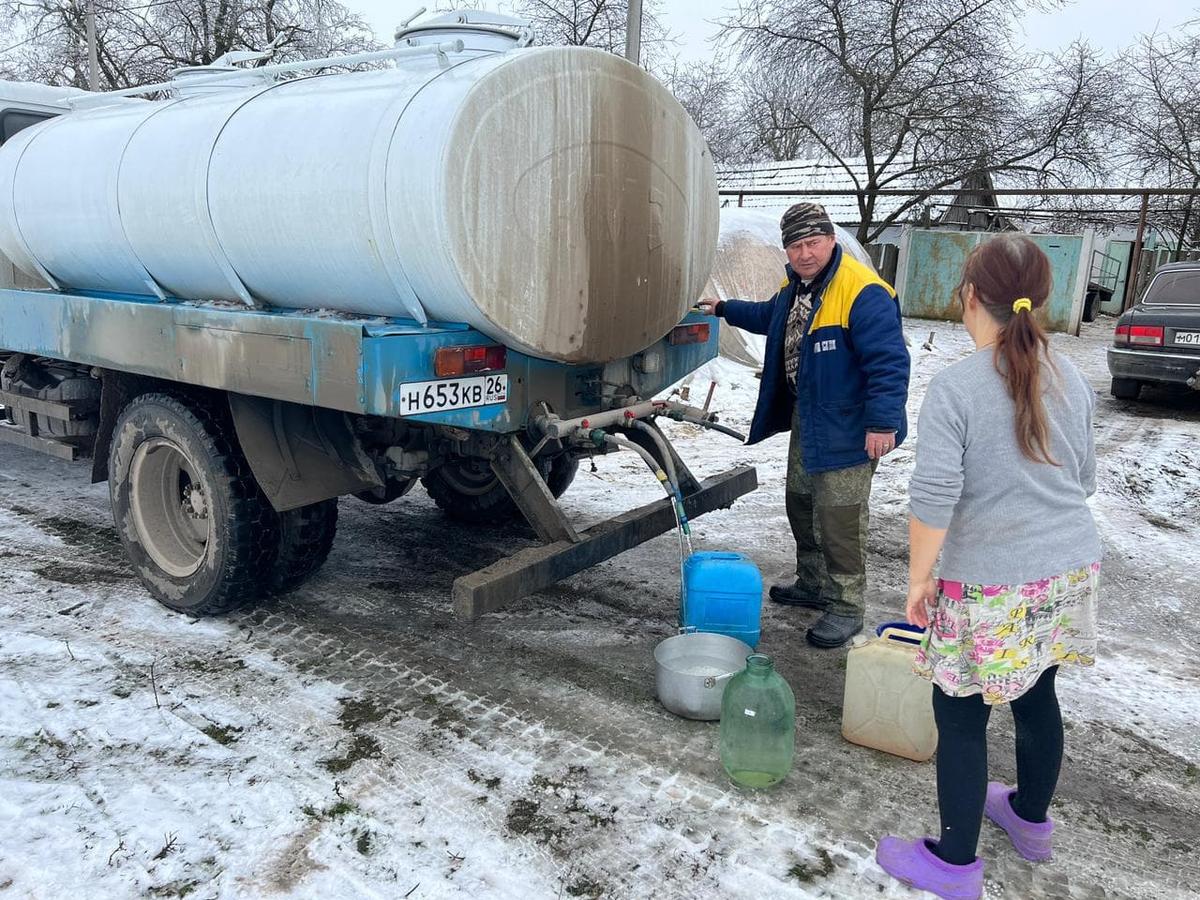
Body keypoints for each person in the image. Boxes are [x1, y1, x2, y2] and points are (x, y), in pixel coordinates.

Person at [875, 235, 1102, 900]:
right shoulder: (1072, 379)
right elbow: (1083, 481)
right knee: (1037, 695)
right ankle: (1029, 822)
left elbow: (933, 499)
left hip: (992, 584)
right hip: (1069, 569)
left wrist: (920, 580)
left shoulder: (957, 387)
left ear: (969, 295)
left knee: (962, 711)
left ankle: (952, 864)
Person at [698, 202, 909, 648]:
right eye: (795, 245)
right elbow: (766, 316)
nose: (804, 253)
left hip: (853, 425)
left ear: (831, 240)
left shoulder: (863, 291)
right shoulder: (796, 287)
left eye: (812, 242)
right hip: (810, 416)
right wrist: (722, 307)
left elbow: (889, 363)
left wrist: (882, 423)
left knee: (841, 518)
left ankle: (847, 607)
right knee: (802, 502)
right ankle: (813, 584)